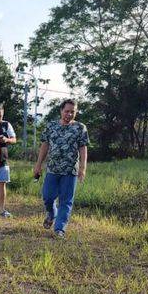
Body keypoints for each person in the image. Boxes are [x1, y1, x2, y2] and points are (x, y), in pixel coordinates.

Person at [33, 99, 89, 239]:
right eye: (67, 111)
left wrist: (83, 168)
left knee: (66, 201)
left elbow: (83, 148)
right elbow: (45, 145)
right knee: (47, 197)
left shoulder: (80, 128)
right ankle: (52, 214)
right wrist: (38, 165)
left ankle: (60, 229)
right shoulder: (51, 126)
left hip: (70, 171)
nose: (69, 114)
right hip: (52, 169)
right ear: (61, 111)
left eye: (72, 112)